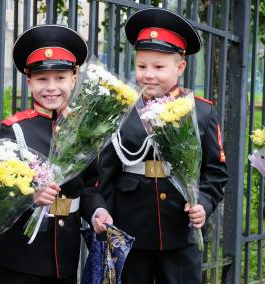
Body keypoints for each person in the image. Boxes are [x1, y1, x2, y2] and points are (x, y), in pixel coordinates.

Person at [96, 8, 229, 284]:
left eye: (159, 67)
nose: (149, 75)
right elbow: (106, 172)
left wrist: (203, 203)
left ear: (180, 67)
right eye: (142, 66)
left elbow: (215, 172)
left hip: (180, 232)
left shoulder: (201, 112)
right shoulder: (120, 110)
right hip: (130, 230)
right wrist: (106, 218)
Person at [0, 24, 112, 284]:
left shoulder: (83, 131)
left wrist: (97, 212)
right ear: (29, 81)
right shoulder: (15, 129)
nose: (51, 87)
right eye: (42, 79)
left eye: (60, 78)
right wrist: (30, 195)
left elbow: (88, 187)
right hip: (20, 259)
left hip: (64, 259)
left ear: (74, 77)